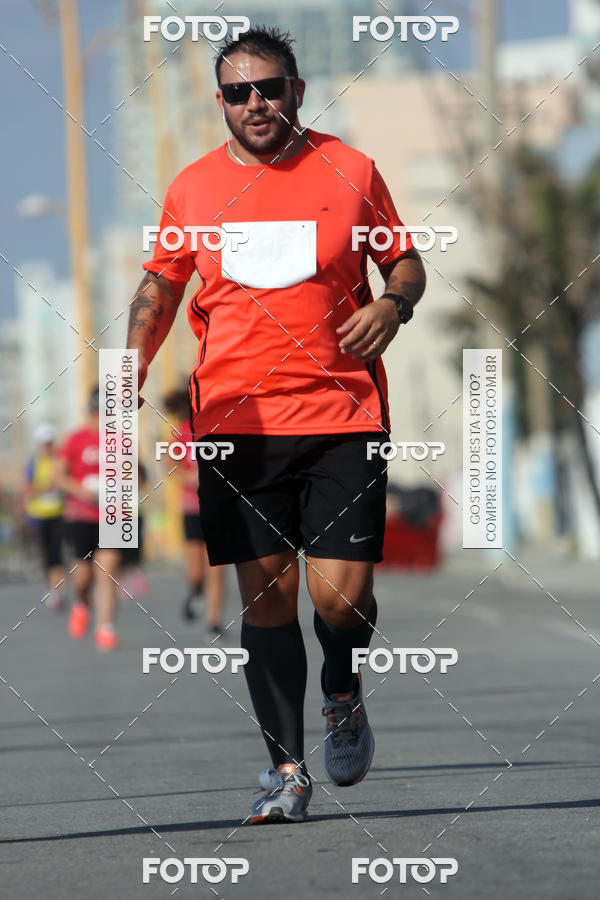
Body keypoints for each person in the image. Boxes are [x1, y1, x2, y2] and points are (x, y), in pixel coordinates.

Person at [127, 26, 425, 822]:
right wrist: (127, 370)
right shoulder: (192, 190)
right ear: (220, 102)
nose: (254, 104)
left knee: (338, 600)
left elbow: (404, 258)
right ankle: (285, 772)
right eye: (237, 92)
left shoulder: (350, 169)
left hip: (342, 413)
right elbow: (158, 287)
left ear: (297, 89)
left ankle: (343, 687)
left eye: (269, 88)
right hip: (236, 422)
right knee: (266, 599)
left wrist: (393, 305)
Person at [54, 388, 122, 651]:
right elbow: (58, 476)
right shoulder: (75, 439)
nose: (101, 418)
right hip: (80, 517)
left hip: (110, 516)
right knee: (82, 578)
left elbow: (133, 475)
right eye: (97, 412)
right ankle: (82, 603)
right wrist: (80, 491)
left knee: (106, 573)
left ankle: (105, 628)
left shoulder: (119, 441)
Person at [163, 389, 225, 632]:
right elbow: (170, 466)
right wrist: (188, 477)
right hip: (191, 507)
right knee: (197, 571)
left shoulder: (220, 429)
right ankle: (196, 590)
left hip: (217, 507)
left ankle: (213, 620)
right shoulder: (182, 431)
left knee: (217, 567)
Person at [20, 423, 65, 611]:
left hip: (59, 516)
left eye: (49, 442)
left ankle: (57, 593)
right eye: (44, 443)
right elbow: (26, 488)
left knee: (57, 555)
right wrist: (46, 488)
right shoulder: (33, 463)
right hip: (39, 518)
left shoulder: (60, 460)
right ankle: (52, 590)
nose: (47, 446)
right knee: (47, 557)